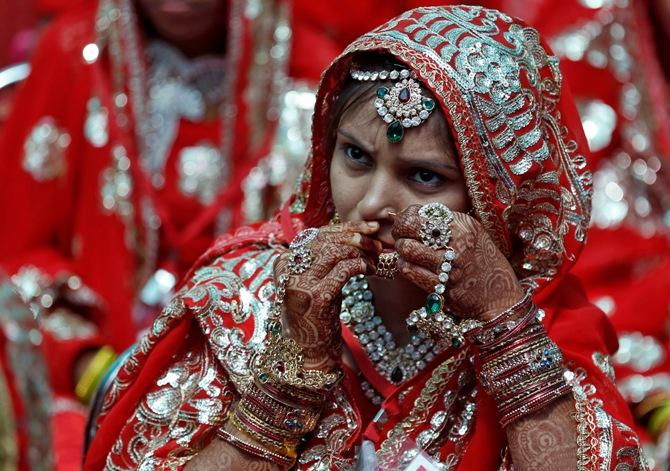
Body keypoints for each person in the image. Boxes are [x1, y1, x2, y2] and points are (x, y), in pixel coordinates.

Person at [84, 5, 645, 469]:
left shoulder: (543, 327)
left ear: (496, 199)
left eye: (424, 176)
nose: (374, 203)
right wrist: (283, 385)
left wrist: (506, 332)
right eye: (355, 156)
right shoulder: (244, 298)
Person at [0, 0, 290, 407]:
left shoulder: (306, 77)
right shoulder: (74, 54)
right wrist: (93, 369)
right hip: (89, 389)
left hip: (251, 400)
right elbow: (13, 257)